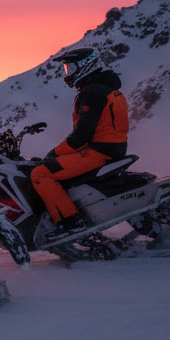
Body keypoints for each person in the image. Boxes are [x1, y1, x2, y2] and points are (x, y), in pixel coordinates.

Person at [31, 47, 129, 241]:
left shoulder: (92, 92)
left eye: (70, 68)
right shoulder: (106, 87)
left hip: (98, 151)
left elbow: (81, 136)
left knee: (40, 173)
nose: (68, 74)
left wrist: (55, 153)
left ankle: (71, 223)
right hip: (111, 148)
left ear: (85, 65)